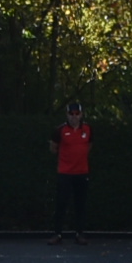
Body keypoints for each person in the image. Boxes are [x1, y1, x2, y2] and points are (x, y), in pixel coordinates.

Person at [49, 103, 91, 242]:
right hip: (65, 173)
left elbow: (89, 145)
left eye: (77, 114)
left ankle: (80, 234)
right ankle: (57, 233)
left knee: (80, 204)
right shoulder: (59, 130)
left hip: (82, 172)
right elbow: (53, 148)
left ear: (81, 114)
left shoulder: (88, 129)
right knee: (61, 203)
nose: (74, 117)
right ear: (67, 115)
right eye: (71, 114)